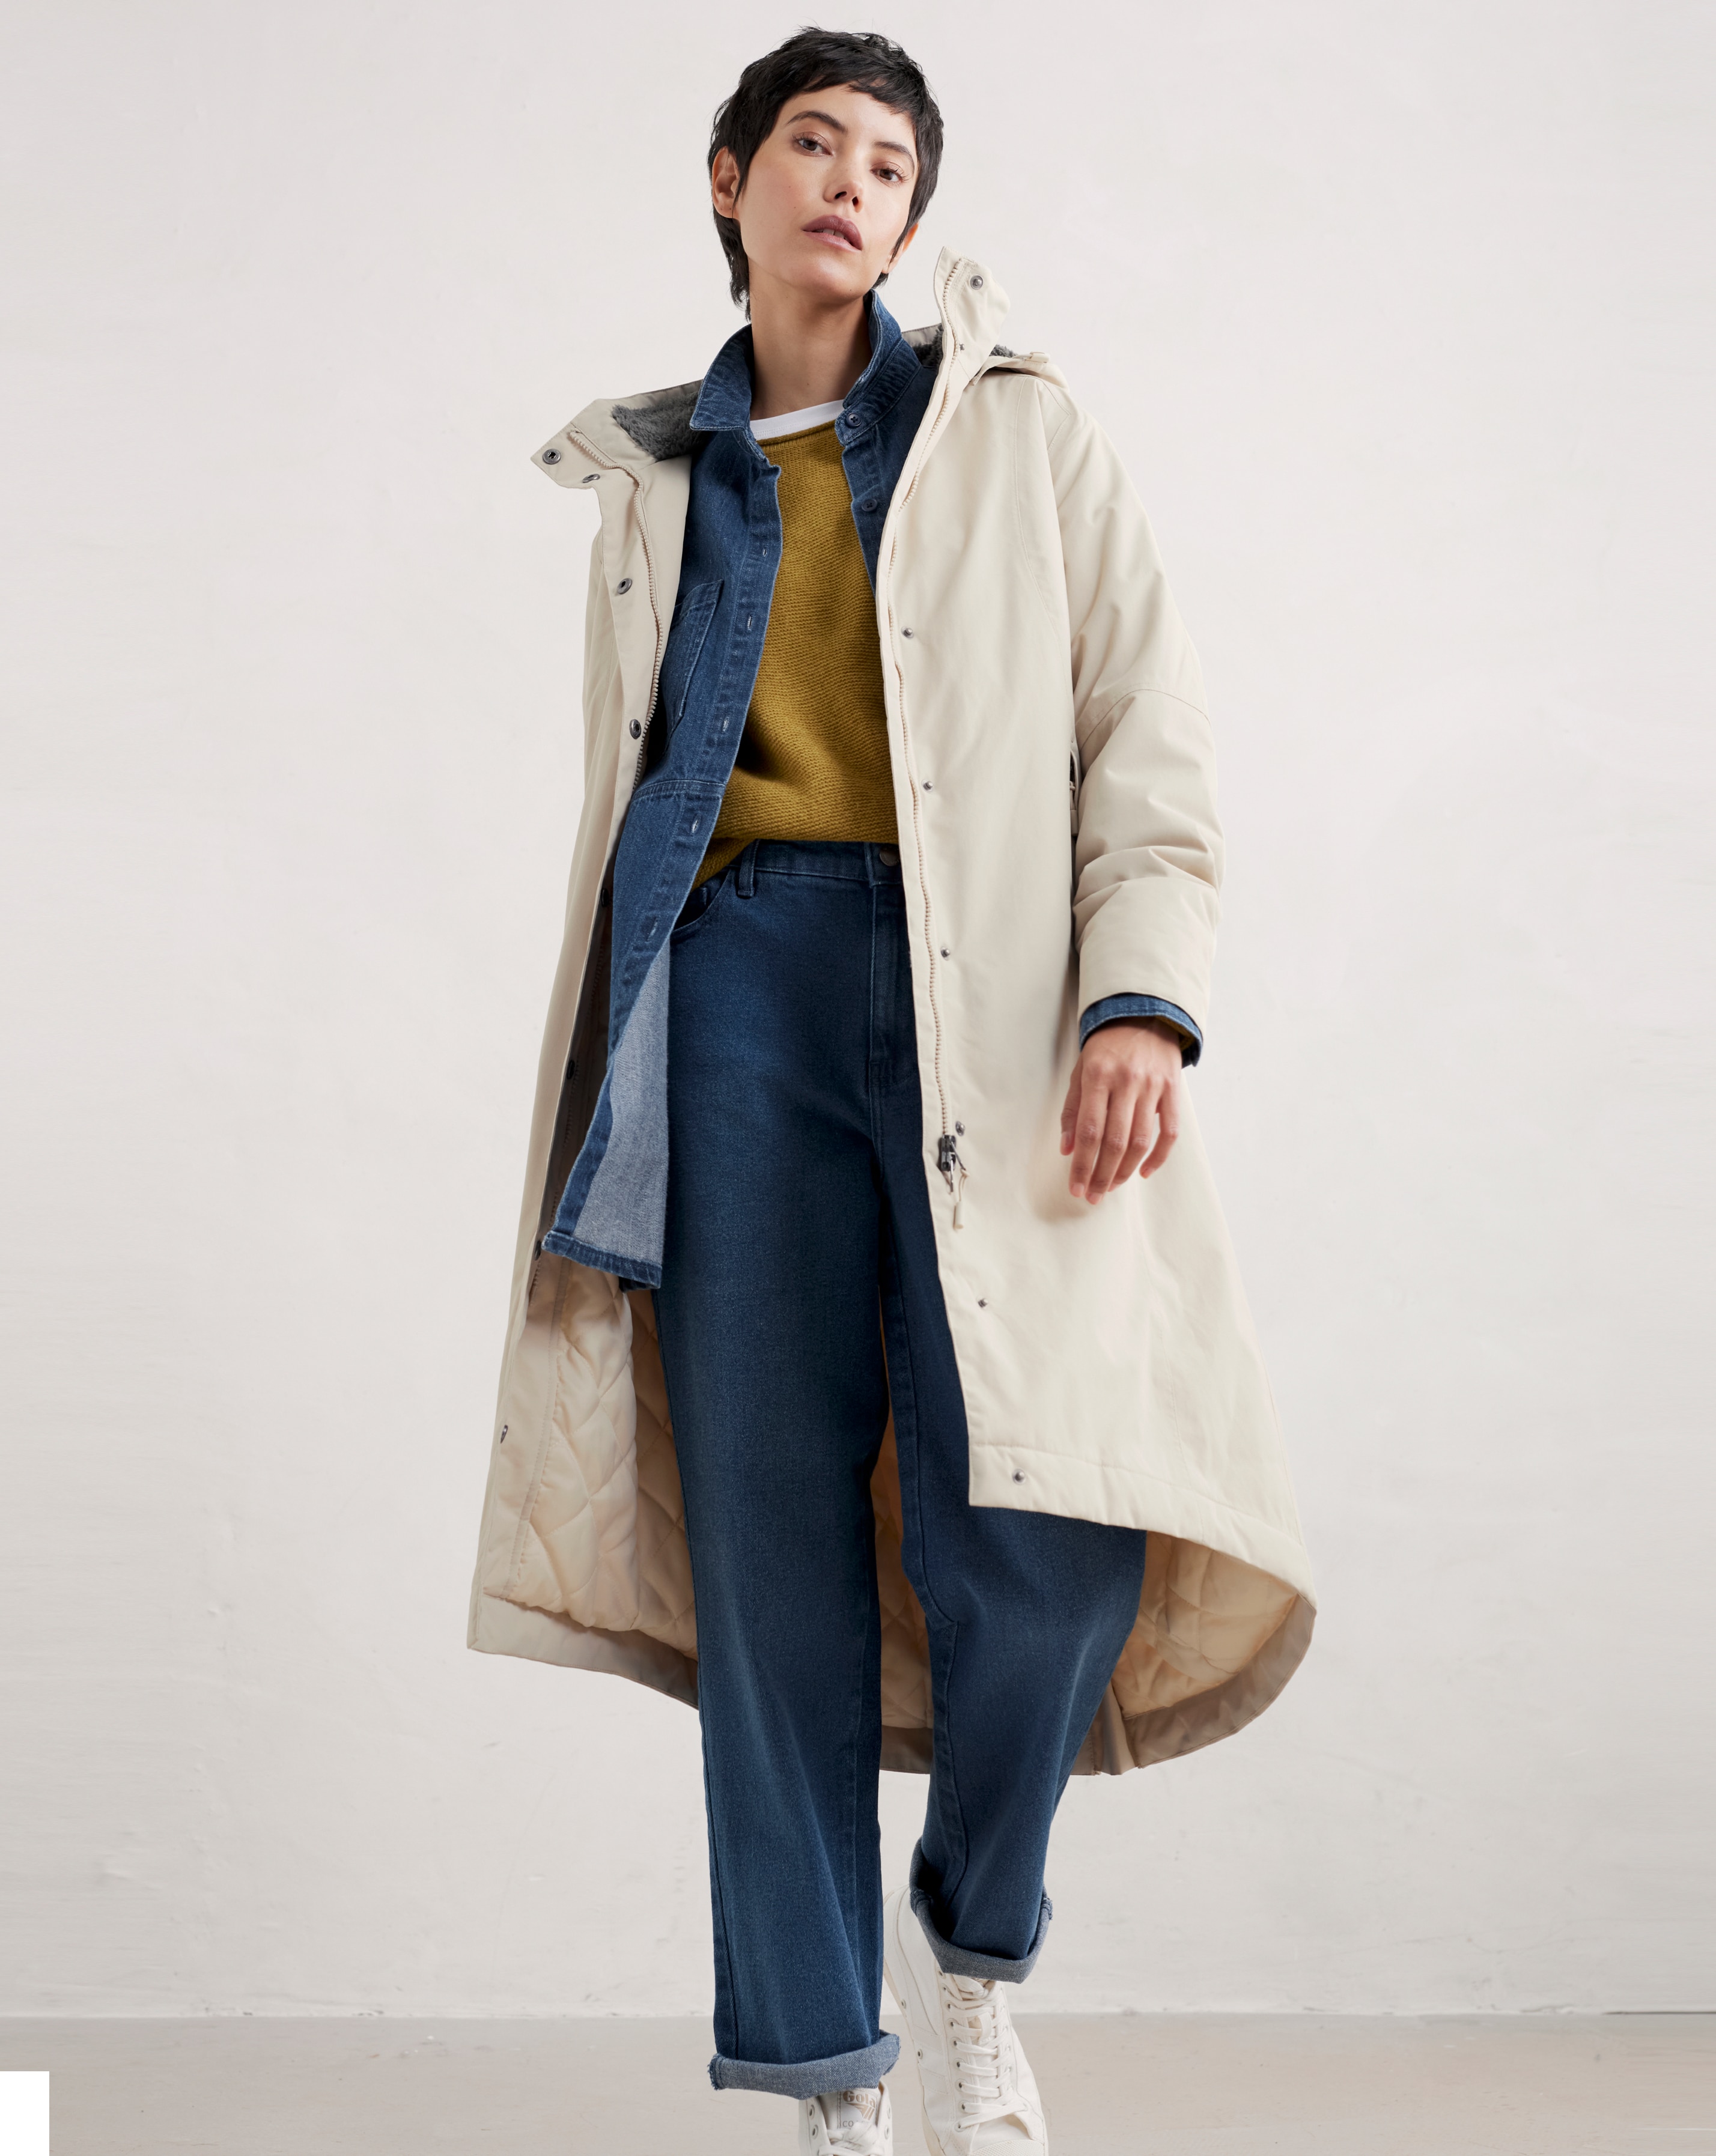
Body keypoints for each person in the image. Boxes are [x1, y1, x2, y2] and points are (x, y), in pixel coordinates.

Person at [467, 29, 1316, 2155]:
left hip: (989, 1005)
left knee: (1047, 1533)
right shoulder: (655, 478)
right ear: (733, 180)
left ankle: (975, 1951)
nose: (853, 183)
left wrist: (1142, 1002)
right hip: (732, 1000)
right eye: (814, 145)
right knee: (771, 1559)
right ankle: (828, 2071)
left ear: (916, 219)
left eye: (892, 164)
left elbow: (1146, 736)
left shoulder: (1019, 432)